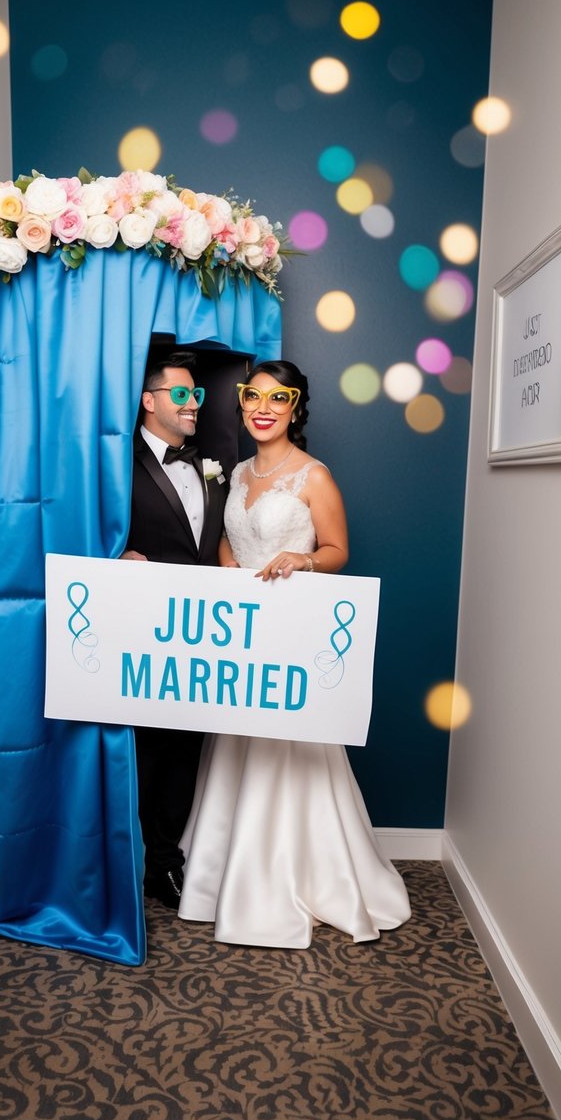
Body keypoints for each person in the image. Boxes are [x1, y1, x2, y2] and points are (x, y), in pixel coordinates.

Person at [178, 360, 411, 947]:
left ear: (294, 407)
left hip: (291, 635)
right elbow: (232, 533)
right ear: (242, 405)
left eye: (276, 399)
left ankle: (295, 876)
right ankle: (225, 878)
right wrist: (231, 564)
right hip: (244, 635)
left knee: (291, 744)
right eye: (252, 397)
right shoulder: (236, 472)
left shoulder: (314, 477)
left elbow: (338, 548)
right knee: (238, 739)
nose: (262, 408)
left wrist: (302, 561)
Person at [122, 351, 228, 910]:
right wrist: (116, 554)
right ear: (150, 400)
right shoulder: (116, 459)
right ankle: (128, 862)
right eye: (181, 394)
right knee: (141, 751)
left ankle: (166, 864)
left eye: (198, 395)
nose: (193, 405)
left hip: (199, 635)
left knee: (186, 747)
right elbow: (87, 523)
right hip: (138, 630)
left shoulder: (211, 463)